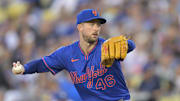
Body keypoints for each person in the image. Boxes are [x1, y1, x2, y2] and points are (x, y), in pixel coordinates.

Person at [12, 9, 136, 101]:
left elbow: (130, 46)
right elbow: (42, 63)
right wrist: (25, 68)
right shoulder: (67, 53)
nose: (96, 28)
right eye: (91, 24)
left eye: (98, 24)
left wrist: (127, 44)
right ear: (80, 27)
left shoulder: (106, 47)